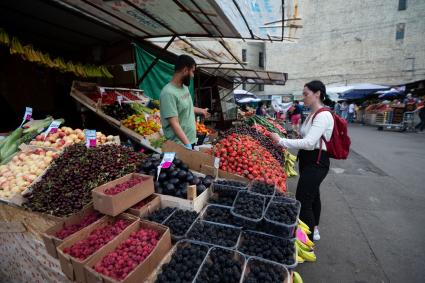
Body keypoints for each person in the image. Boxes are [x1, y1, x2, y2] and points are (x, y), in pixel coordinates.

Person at [271, 80, 334, 241]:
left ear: (317, 94)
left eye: (306, 94)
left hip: (317, 162)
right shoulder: (311, 114)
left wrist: (281, 141)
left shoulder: (324, 115)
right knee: (313, 196)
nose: (303, 97)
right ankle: (314, 229)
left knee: (303, 200)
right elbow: (307, 137)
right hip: (308, 160)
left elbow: (309, 143)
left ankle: (307, 241)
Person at [160, 55, 209, 150]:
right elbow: (174, 123)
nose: (192, 75)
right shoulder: (168, 93)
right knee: (169, 165)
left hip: (190, 141)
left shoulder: (184, 88)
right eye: (192, 71)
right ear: (185, 70)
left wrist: (201, 111)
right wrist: (187, 145)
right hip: (177, 146)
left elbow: (187, 106)